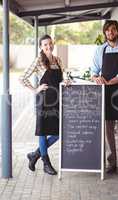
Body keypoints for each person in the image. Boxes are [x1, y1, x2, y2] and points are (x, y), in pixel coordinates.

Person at [91, 20, 118, 174]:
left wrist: (110, 81)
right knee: (108, 129)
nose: (110, 33)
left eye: (113, 30)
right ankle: (112, 162)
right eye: (107, 30)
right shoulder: (100, 50)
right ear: (105, 33)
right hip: (106, 93)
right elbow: (94, 70)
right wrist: (96, 78)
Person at [19, 34, 65, 175]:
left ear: (53, 44)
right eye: (45, 45)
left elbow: (63, 79)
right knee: (43, 132)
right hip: (44, 101)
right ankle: (46, 163)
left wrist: (67, 82)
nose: (48, 46)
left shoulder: (58, 60)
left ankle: (35, 154)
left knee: (59, 133)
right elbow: (22, 77)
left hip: (56, 101)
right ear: (41, 47)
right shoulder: (39, 60)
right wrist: (35, 89)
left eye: (50, 44)